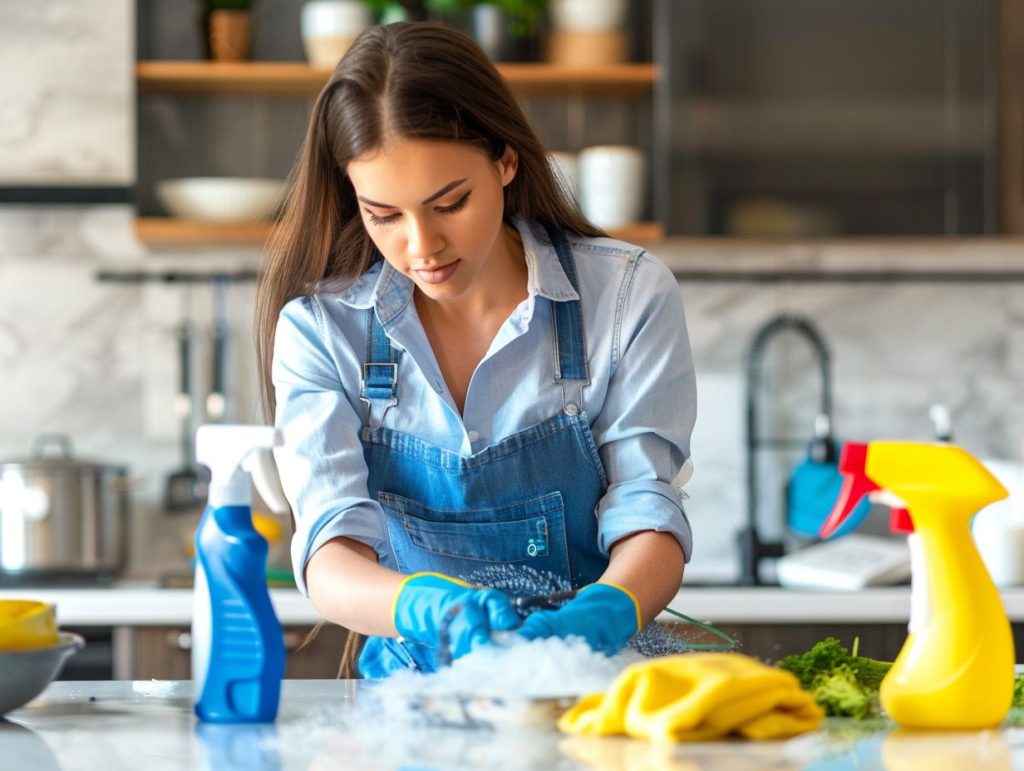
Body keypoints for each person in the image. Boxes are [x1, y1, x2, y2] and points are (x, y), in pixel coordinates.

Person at [255, 21, 696, 679]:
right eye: (384, 215)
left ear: (506, 161)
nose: (421, 245)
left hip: (595, 676)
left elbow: (647, 510)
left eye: (449, 202)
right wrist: (429, 607)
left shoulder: (625, 293)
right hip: (410, 687)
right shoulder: (321, 329)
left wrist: (605, 608)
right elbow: (329, 554)